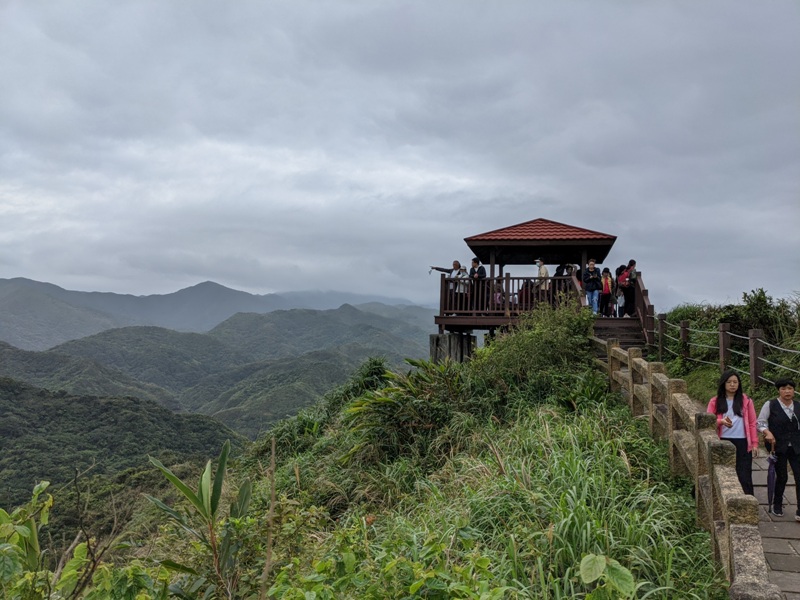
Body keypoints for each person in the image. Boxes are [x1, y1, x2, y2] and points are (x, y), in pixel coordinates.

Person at [707, 370, 757, 495]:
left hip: (743, 441)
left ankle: (747, 499)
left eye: (735, 382)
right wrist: (721, 421)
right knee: (723, 471)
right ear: (723, 384)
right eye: (729, 382)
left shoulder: (746, 401)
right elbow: (708, 420)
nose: (732, 385)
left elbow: (752, 423)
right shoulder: (715, 401)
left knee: (744, 474)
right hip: (723, 440)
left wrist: (754, 443)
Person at [758, 378, 800, 518]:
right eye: (783, 389)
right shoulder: (770, 405)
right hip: (779, 446)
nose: (787, 391)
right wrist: (767, 432)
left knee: (799, 476)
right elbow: (761, 422)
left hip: (797, 447)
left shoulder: (798, 406)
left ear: (794, 390)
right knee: (782, 476)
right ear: (778, 391)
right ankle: (777, 504)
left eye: (790, 388)